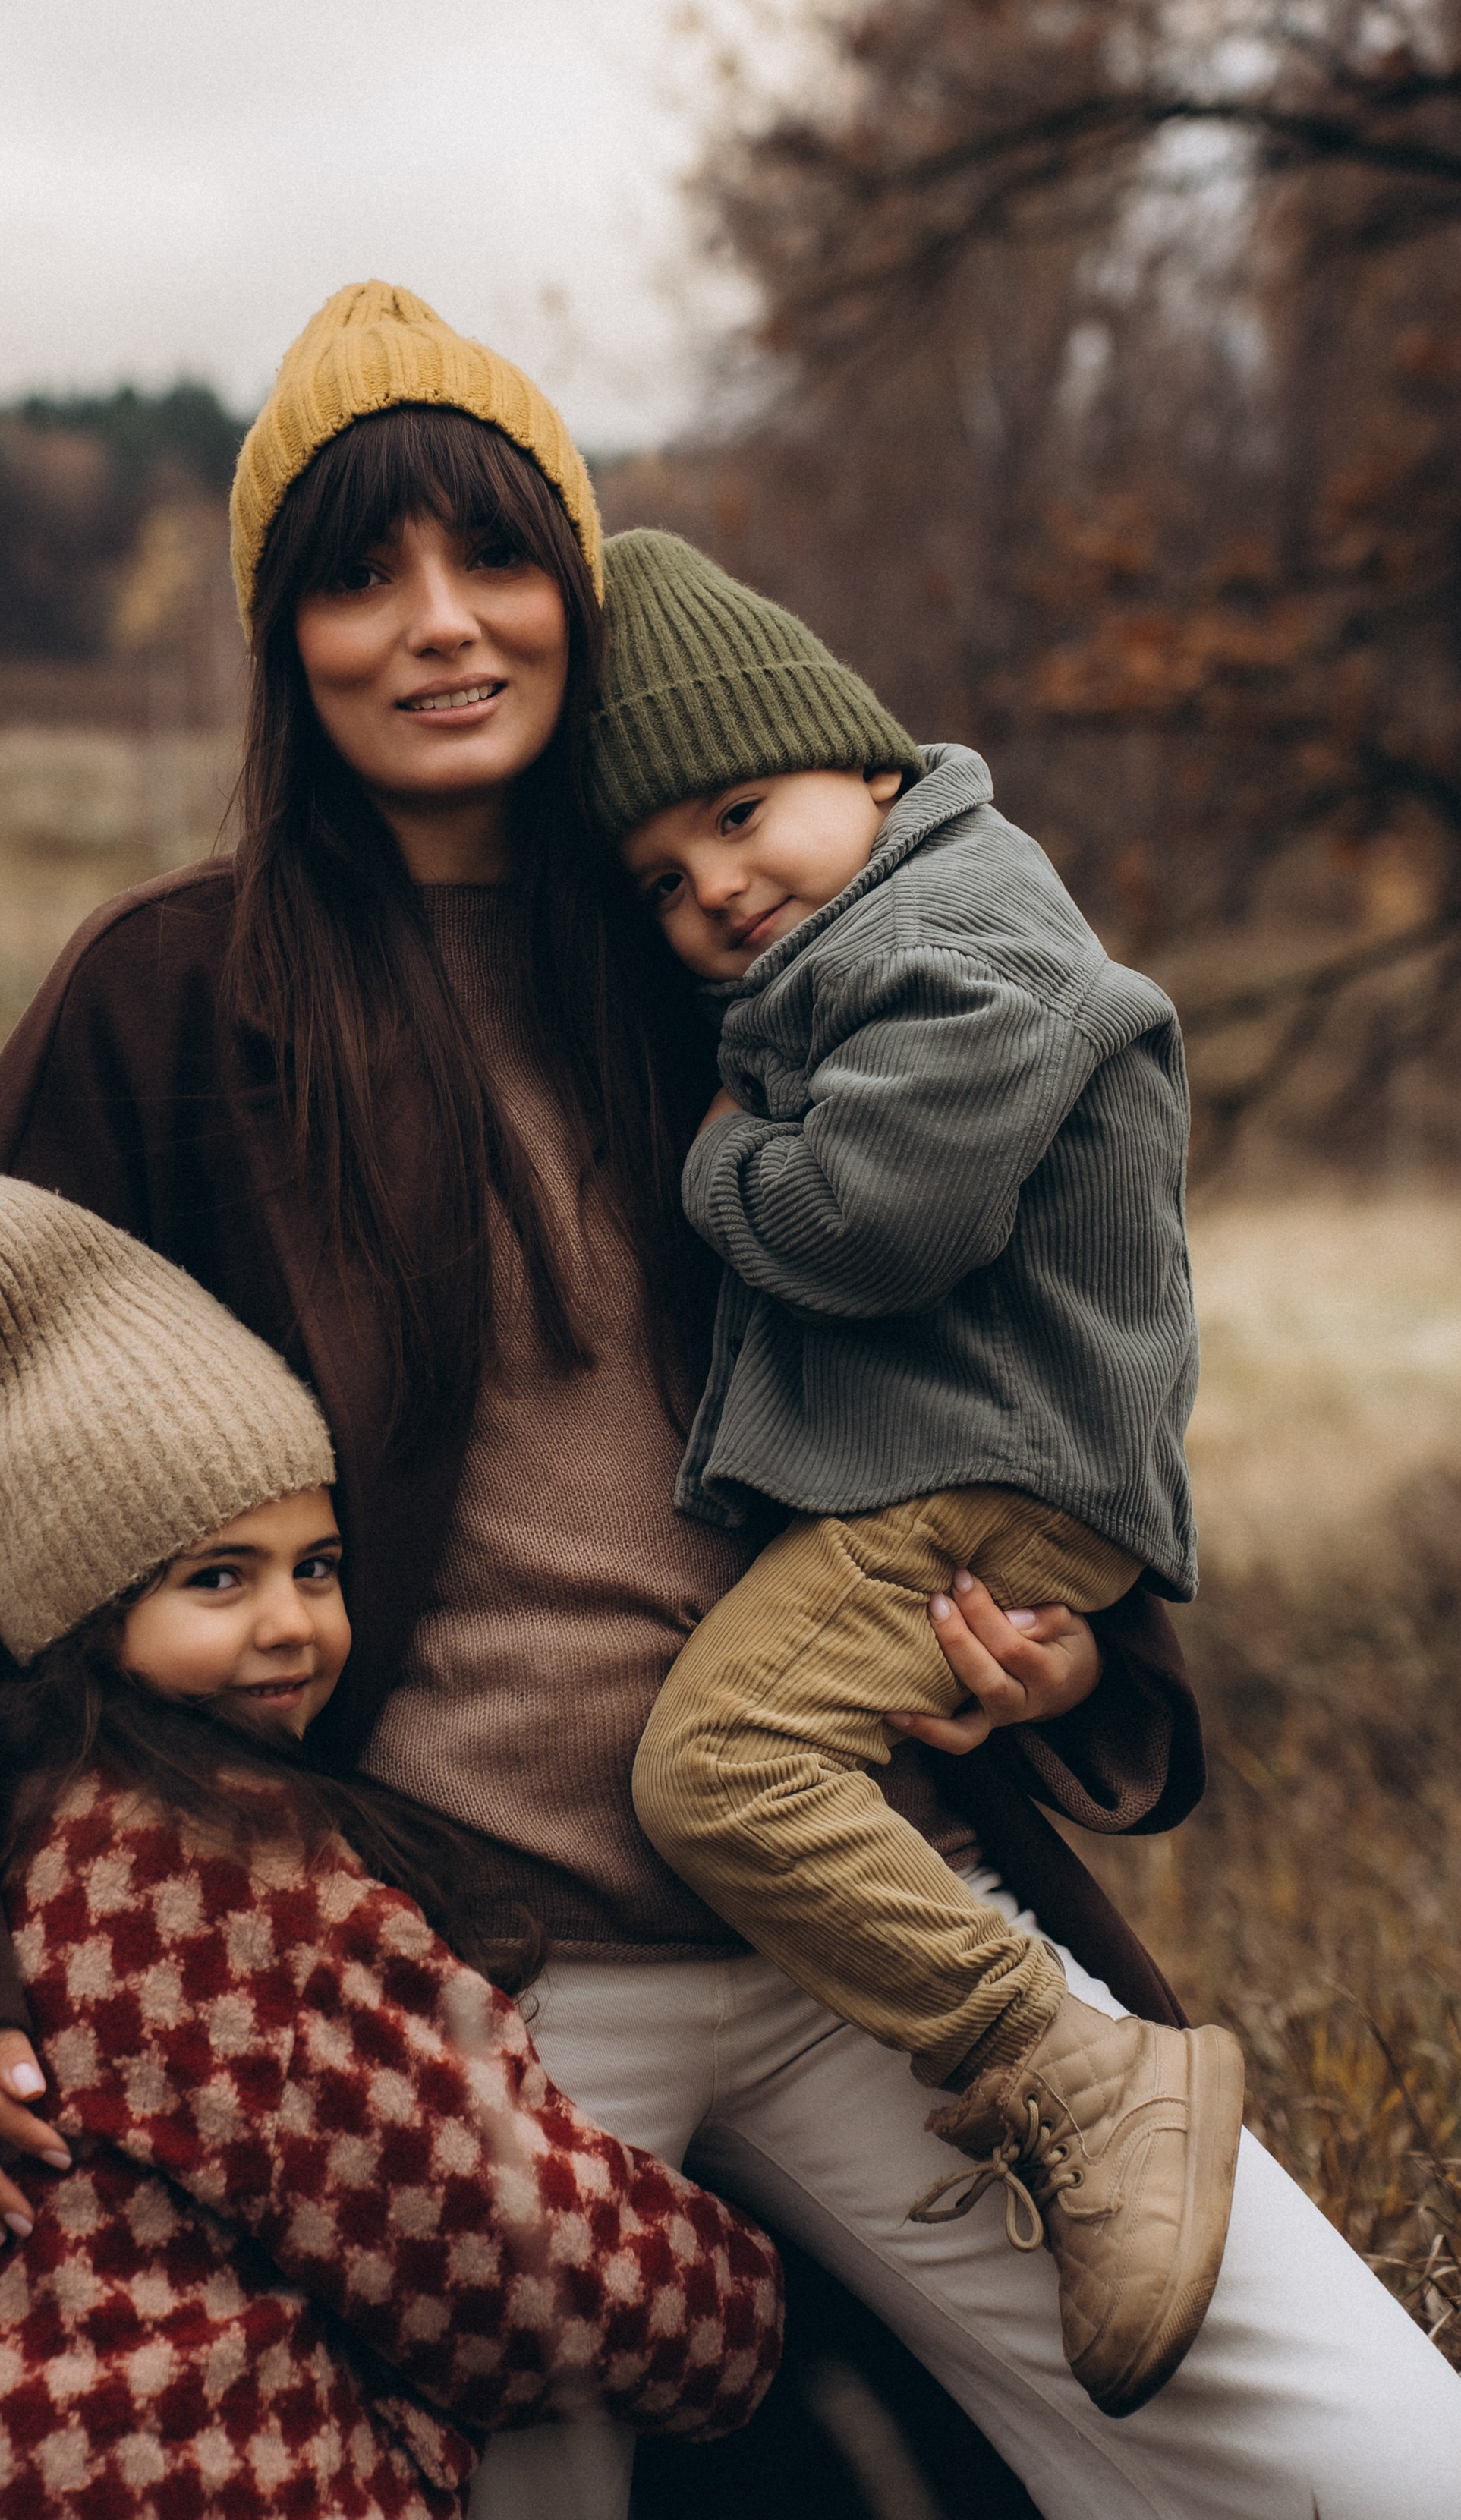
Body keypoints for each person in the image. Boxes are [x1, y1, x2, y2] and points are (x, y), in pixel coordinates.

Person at [0, 281, 1461, 2520]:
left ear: (581, 591)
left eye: (495, 560)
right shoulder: (172, 1001)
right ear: (281, 645)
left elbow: (1037, 1322)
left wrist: (1065, 1651)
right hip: (474, 1995)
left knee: (1366, 2454)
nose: (440, 627)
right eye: (358, 576)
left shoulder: (727, 947)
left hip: (868, 1909)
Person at [0, 1170, 782, 2520]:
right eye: (219, 1577)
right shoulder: (209, 1873)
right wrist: (748, 2299)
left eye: (315, 1565)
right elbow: (506, 2253)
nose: (294, 1625)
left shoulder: (0, 1842)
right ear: (75, 1610)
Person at [594, 528, 1243, 2420]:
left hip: (983, 1477)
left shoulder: (961, 943)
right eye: (661, 878)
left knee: (715, 1764)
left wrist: (716, 1164)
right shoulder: (884, 933)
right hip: (971, 1471)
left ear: (861, 766)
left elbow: (875, 1218)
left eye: (738, 812)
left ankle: (1070, 2064)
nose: (715, 888)